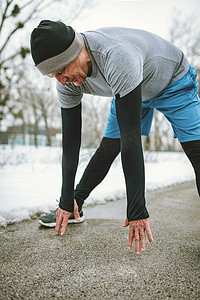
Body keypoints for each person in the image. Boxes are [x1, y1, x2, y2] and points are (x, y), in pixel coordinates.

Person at [30, 20, 200, 255]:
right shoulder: (67, 81)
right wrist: (65, 199)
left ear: (78, 50)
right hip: (129, 87)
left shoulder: (116, 56)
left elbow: (131, 141)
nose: (61, 80)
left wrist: (137, 210)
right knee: (109, 147)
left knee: (197, 153)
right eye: (53, 75)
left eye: (62, 71)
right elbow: (70, 144)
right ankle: (76, 205)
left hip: (172, 81)